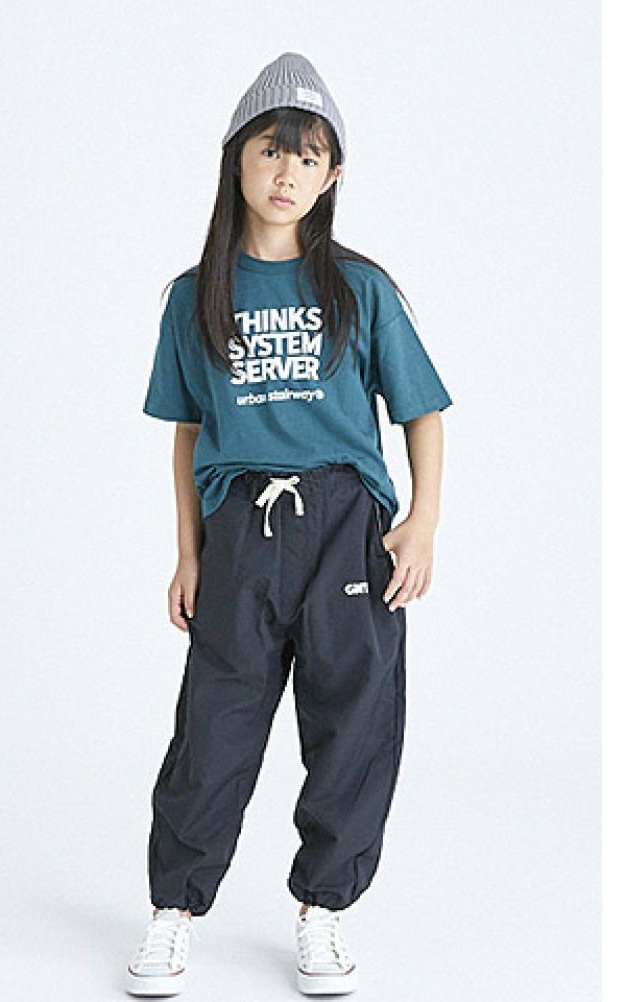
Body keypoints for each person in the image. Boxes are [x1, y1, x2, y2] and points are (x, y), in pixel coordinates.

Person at [124, 52, 453, 998]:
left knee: (355, 719)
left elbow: (422, 412)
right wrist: (188, 552)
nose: (286, 173)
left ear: (332, 175)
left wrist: (421, 523)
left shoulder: (361, 289)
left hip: (347, 524)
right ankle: (174, 911)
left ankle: (324, 909)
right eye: (271, 150)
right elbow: (189, 433)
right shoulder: (195, 294)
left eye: (308, 158)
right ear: (236, 159)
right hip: (240, 527)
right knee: (215, 722)